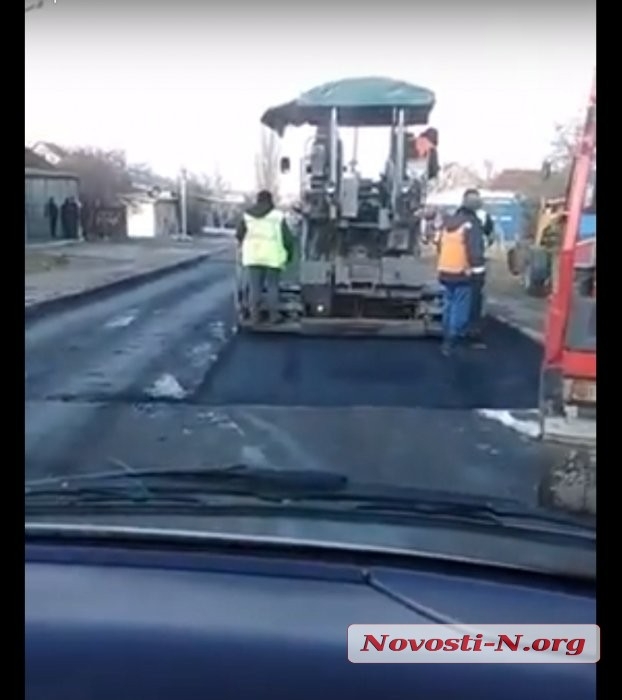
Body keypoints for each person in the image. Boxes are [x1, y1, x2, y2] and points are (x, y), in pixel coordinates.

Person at [236, 190, 295, 325]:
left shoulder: (247, 216)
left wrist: (242, 246)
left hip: (253, 257)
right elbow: (288, 239)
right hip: (272, 257)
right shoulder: (277, 216)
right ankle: (274, 316)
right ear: (270, 200)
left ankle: (255, 317)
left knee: (254, 288)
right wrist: (289, 255)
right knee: (272, 288)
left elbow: (239, 234)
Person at [435, 211, 482, 356]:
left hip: (444, 271)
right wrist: (478, 272)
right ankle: (452, 339)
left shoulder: (445, 227)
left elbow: (438, 246)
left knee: (448, 305)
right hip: (461, 273)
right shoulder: (468, 226)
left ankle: (446, 334)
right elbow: (474, 252)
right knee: (459, 307)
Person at [454, 189, 493, 347]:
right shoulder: (481, 217)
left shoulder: (456, 216)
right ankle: (470, 332)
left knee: (458, 299)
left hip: (456, 266)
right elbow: (487, 237)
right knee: (474, 301)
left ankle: (455, 330)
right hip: (474, 266)